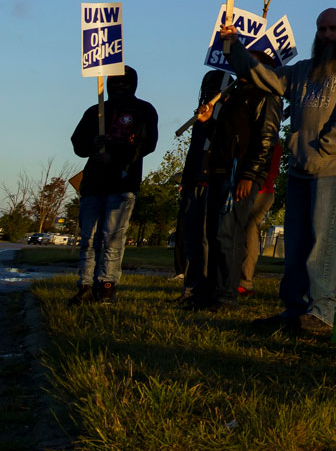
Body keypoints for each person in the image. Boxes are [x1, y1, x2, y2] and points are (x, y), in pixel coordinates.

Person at [221, 7, 336, 338]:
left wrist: (323, 149)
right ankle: (294, 309)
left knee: (323, 240)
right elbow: (264, 76)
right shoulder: (306, 69)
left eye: (333, 29)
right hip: (301, 167)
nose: (326, 35)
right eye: (321, 29)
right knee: (295, 242)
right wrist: (232, 45)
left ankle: (321, 312)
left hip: (334, 166)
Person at [68, 67, 158, 306]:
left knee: (113, 238)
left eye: (124, 84)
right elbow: (78, 144)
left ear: (134, 85)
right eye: (114, 84)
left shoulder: (144, 111)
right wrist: (93, 144)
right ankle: (85, 286)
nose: (118, 89)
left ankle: (106, 287)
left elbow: (148, 144)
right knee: (89, 238)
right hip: (94, 183)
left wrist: (118, 158)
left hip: (122, 182)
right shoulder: (96, 111)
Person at [212, 62, 282, 301]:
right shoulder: (232, 98)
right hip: (223, 172)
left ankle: (228, 292)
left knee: (231, 233)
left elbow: (266, 140)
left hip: (242, 177)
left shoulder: (265, 98)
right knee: (219, 234)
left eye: (246, 62)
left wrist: (250, 175)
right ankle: (216, 289)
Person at [178, 71, 229, 309]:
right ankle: (191, 287)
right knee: (191, 239)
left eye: (215, 87)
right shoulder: (201, 114)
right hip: (193, 182)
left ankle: (206, 289)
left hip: (212, 183)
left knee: (206, 240)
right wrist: (186, 179)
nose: (210, 91)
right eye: (207, 87)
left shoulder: (227, 114)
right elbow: (195, 150)